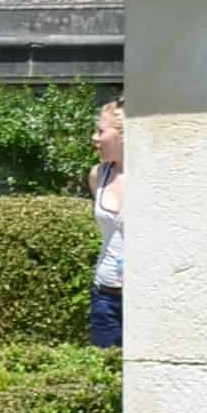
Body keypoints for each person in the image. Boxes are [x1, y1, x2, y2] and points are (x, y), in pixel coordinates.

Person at [88, 99, 124, 351]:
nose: (95, 138)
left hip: (146, 299)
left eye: (101, 131)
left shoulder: (155, 178)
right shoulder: (97, 175)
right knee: (105, 374)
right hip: (105, 297)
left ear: (123, 134)